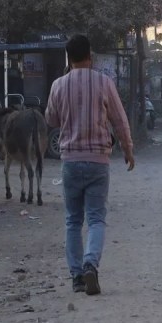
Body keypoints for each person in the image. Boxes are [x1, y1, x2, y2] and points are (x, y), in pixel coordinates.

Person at [45, 34, 136, 296]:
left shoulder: (58, 85)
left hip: (70, 161)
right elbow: (119, 120)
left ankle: (76, 277)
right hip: (98, 161)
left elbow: (51, 119)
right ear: (90, 56)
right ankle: (90, 265)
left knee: (73, 221)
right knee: (96, 219)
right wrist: (128, 150)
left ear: (68, 57)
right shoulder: (104, 82)